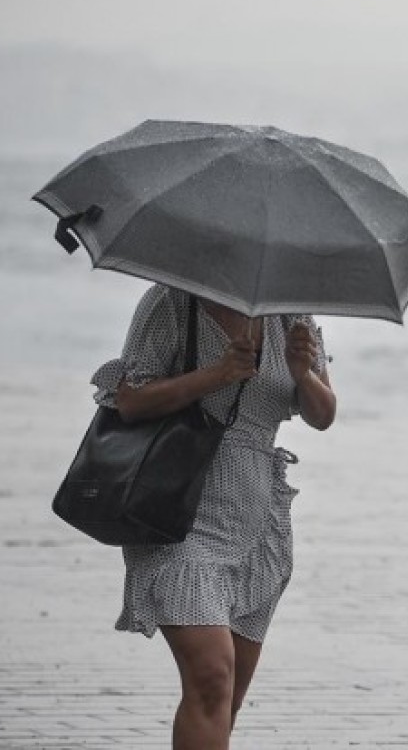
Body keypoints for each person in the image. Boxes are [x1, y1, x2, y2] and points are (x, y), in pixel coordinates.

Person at [91, 284, 336, 750]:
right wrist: (217, 374)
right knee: (210, 679)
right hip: (177, 513)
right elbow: (128, 400)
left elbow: (323, 415)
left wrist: (303, 374)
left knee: (228, 698)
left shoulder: (291, 313)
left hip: (259, 522)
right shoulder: (171, 302)